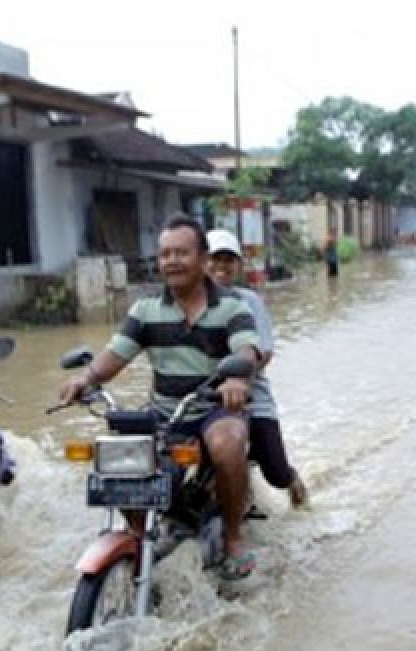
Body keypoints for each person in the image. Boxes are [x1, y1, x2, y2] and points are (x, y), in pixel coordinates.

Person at [58, 213, 263, 580]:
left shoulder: (233, 307)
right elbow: (115, 355)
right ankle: (139, 536)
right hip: (166, 414)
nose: (171, 262)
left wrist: (235, 378)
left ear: (202, 258)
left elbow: (247, 349)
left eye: (181, 253)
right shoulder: (145, 310)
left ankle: (233, 538)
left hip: (214, 410)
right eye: (165, 254)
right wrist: (85, 380)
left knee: (228, 443)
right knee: (117, 459)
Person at [205, 230, 309, 509]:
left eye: (229, 260)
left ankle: (296, 487)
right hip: (199, 397)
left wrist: (237, 376)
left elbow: (264, 352)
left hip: (251, 396)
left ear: (238, 265)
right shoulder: (188, 300)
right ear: (202, 261)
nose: (221, 266)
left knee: (275, 472)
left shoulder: (248, 301)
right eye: (215, 258)